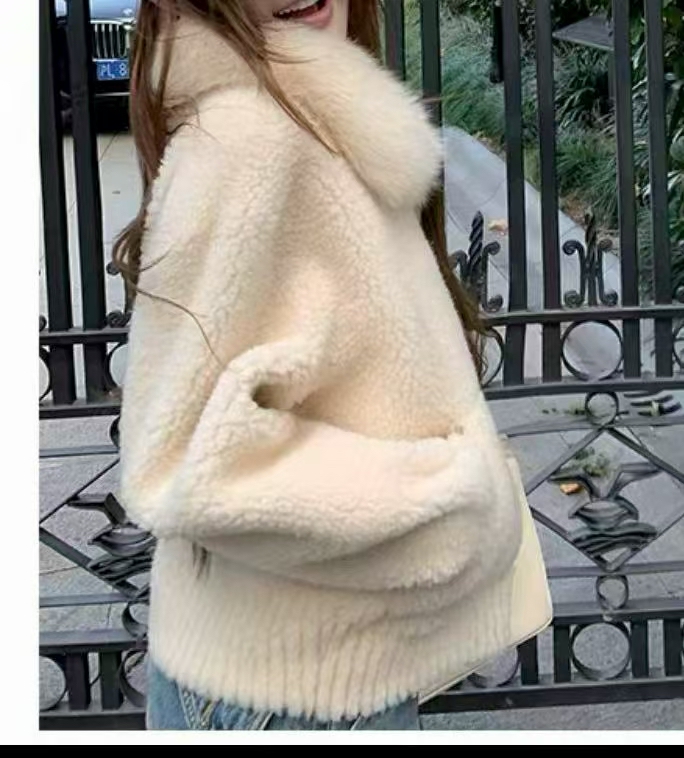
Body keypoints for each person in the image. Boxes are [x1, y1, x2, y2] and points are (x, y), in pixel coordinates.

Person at [115, 0, 524, 731]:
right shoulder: (251, 140)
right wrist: (449, 505)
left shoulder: (305, 123)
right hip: (295, 693)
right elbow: (175, 459)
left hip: (289, 669)